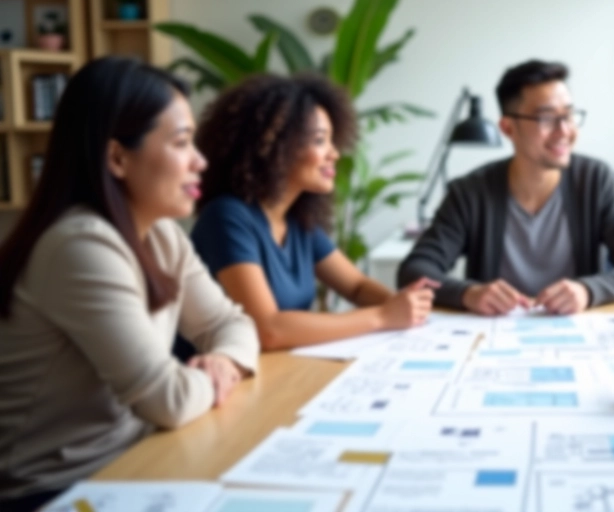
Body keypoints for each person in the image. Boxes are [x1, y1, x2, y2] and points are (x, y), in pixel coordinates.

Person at [0, 58, 260, 511]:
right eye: (182, 143)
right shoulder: (79, 246)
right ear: (118, 157)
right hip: (52, 491)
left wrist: (222, 361)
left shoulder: (159, 235)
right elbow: (168, 400)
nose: (200, 161)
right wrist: (206, 379)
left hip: (134, 460)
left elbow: (231, 322)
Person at [190, 74, 437, 351]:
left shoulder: (297, 220)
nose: (334, 154)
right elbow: (267, 329)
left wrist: (402, 305)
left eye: (332, 140)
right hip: (214, 383)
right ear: (272, 144)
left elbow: (355, 286)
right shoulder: (226, 216)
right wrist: (382, 316)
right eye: (320, 140)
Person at [398, 60, 614, 315]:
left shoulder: (595, 180)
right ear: (508, 127)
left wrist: (587, 290)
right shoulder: (470, 192)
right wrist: (469, 293)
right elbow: (415, 270)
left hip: (575, 333)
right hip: (490, 336)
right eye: (547, 118)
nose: (564, 130)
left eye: (568, 115)